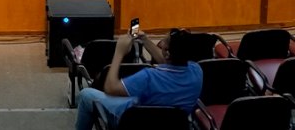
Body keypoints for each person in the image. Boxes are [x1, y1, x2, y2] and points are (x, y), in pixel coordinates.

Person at [75, 28, 203, 130]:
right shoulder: (197, 71)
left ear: (168, 53)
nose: (161, 42)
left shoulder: (148, 77)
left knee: (86, 94)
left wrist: (119, 52)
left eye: (164, 41)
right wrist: (145, 39)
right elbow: (167, 60)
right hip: (173, 125)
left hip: (132, 122)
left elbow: (110, 88)